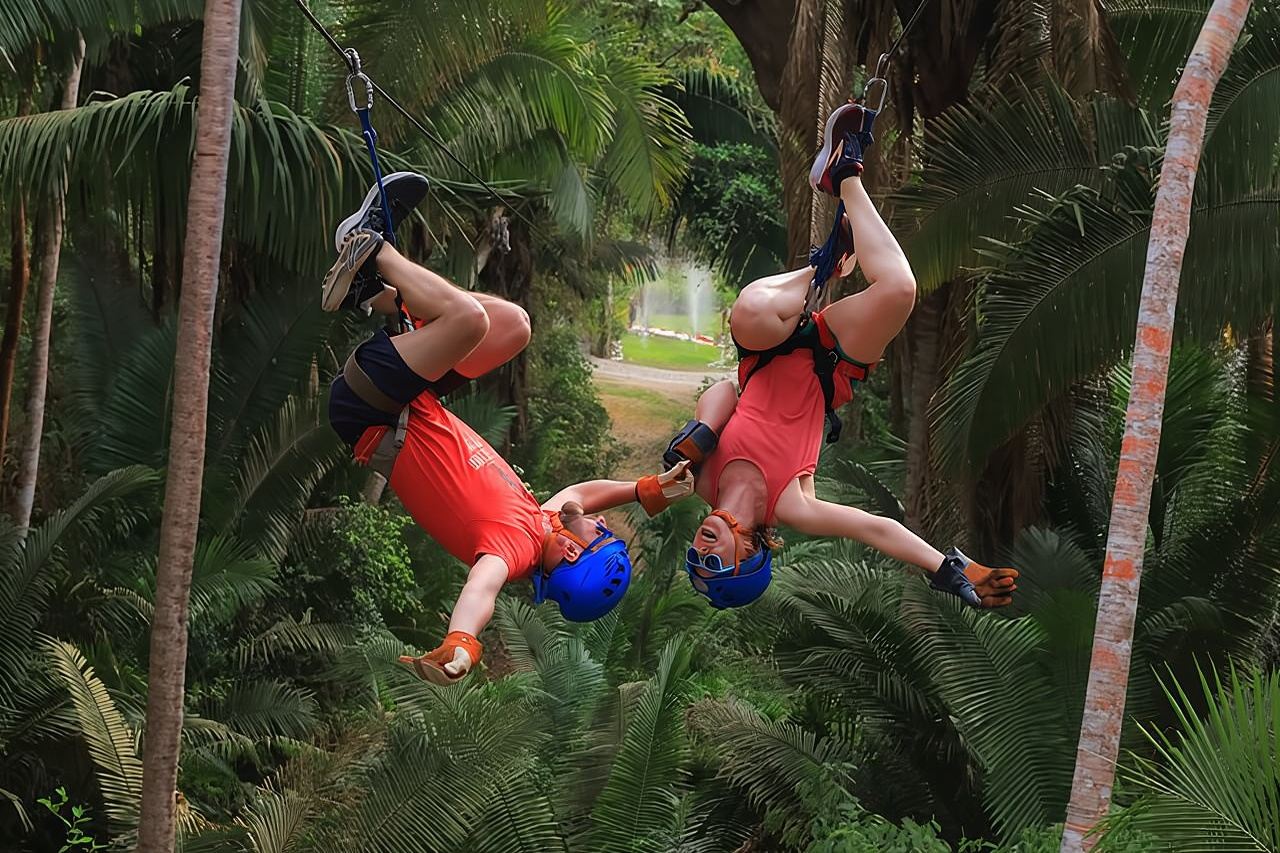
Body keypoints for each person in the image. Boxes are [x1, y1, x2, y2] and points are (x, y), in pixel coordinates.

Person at [321, 172, 692, 684]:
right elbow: (582, 493)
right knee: (513, 325)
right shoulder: (539, 525)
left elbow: (482, 589)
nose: (605, 528)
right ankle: (374, 293)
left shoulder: (512, 552)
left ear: (569, 552)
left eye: (601, 538)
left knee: (469, 321)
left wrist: (462, 642)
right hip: (409, 398)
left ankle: (368, 246)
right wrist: (645, 489)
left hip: (374, 407)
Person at [663, 102, 1019, 610]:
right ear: (750, 554)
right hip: (829, 363)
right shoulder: (794, 507)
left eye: (694, 555)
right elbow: (876, 528)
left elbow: (723, 390)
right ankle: (845, 172)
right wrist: (947, 567)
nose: (703, 548)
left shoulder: (697, 478)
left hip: (766, 349)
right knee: (899, 288)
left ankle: (824, 269)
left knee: (749, 311)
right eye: (716, 563)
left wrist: (703, 431)